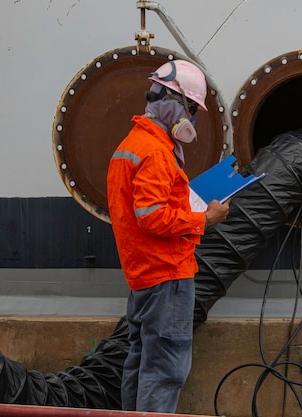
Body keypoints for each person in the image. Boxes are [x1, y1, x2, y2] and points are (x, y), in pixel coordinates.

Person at [106, 59, 230, 413]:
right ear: (175, 103)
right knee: (165, 369)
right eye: (191, 109)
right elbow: (152, 216)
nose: (190, 120)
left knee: (141, 362)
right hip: (166, 275)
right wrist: (205, 218)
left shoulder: (131, 146)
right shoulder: (157, 153)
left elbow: (141, 211)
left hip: (143, 275)